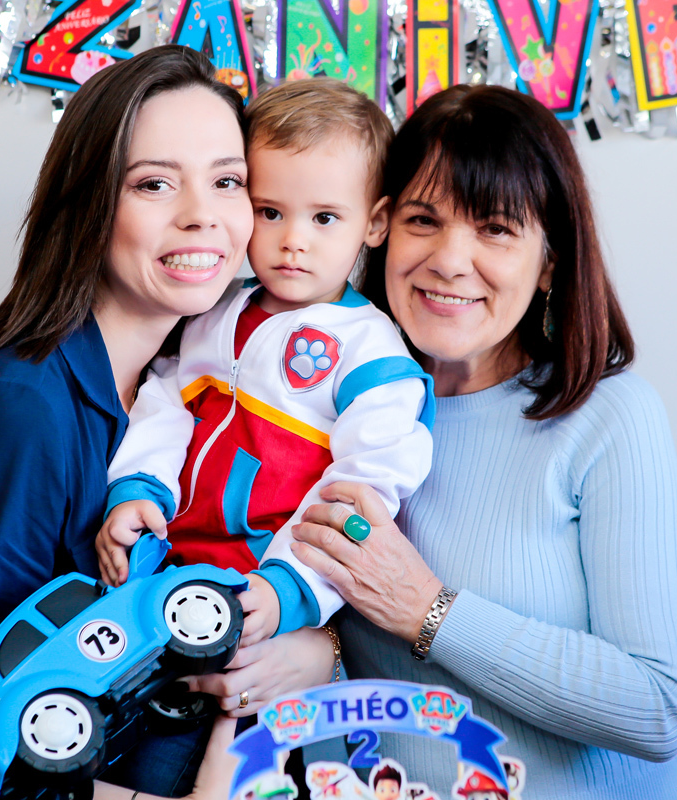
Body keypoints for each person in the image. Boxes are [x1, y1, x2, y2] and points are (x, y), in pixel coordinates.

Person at [0, 47, 335, 800]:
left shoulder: (214, 382)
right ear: (90, 204)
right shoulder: (14, 414)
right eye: (154, 183)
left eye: (227, 181)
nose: (201, 214)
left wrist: (314, 652)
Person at [288, 85, 677, 799]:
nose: (450, 260)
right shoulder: (331, 410)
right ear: (379, 229)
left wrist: (428, 609)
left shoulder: (611, 417)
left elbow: (659, 709)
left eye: (496, 229)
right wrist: (313, 645)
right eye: (424, 219)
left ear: (549, 262)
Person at [95, 76, 432, 794]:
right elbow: (165, 398)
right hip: (167, 590)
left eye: (324, 218)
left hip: (265, 607)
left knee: (243, 772)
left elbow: (364, 492)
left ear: (374, 222)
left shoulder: (371, 353)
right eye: (270, 211)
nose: (291, 242)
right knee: (127, 759)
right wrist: (137, 489)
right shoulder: (214, 309)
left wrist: (289, 591)